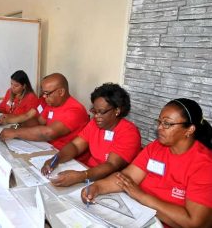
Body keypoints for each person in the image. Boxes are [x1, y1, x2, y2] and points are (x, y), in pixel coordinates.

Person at [81, 98, 212, 228]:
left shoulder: (204, 165)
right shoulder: (156, 147)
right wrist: (97, 187)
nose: (159, 128)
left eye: (167, 124)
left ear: (189, 129)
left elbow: (194, 222)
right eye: (159, 121)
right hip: (141, 215)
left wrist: (142, 197)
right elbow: (127, 178)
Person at [41, 83, 141, 187]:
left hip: (109, 182)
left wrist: (80, 177)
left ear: (117, 111)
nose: (96, 116)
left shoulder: (129, 132)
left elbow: (111, 165)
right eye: (94, 111)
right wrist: (56, 159)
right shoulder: (94, 123)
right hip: (88, 172)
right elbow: (75, 146)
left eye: (101, 112)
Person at [0, 73, 90, 163]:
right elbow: (38, 122)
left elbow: (49, 133)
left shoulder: (75, 110)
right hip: (48, 148)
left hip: (68, 159)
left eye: (47, 93)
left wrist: (16, 133)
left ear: (61, 92)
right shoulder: (52, 104)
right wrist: (17, 126)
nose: (44, 96)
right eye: (43, 93)